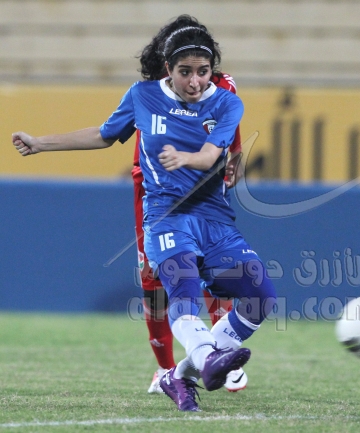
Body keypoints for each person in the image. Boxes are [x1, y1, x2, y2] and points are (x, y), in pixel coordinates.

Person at [13, 24, 276, 412]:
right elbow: (104, 135)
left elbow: (210, 155)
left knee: (261, 296)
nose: (195, 81)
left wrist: (187, 158)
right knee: (183, 291)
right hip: (165, 217)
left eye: (203, 71)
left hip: (214, 220)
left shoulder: (226, 102)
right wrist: (40, 143)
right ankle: (206, 359)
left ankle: (180, 373)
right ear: (168, 68)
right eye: (185, 71)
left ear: (212, 70)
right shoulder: (142, 95)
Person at [134, 14, 247, 394]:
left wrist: (233, 160)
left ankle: (217, 353)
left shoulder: (222, 87)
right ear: (166, 61)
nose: (194, 78)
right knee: (154, 278)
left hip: (203, 187)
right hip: (153, 189)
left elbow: (232, 140)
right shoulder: (149, 92)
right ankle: (165, 369)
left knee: (212, 264)